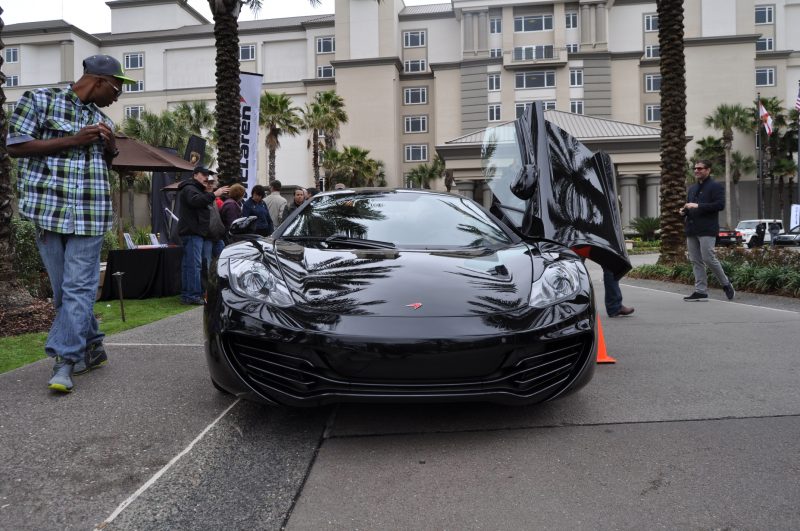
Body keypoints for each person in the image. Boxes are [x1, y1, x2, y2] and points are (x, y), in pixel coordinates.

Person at [7, 54, 135, 393]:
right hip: (48, 211)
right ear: (100, 81)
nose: (117, 97)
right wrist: (74, 140)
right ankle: (93, 346)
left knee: (78, 289)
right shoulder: (39, 99)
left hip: (90, 213)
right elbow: (16, 146)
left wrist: (109, 148)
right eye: (117, 89)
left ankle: (65, 361)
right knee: (65, 290)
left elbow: (107, 164)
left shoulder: (102, 119)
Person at [680, 160, 735, 301]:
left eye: (700, 168)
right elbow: (690, 208)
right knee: (695, 261)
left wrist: (697, 206)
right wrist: (684, 211)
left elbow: (719, 205)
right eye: (695, 168)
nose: (697, 171)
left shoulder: (716, 187)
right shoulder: (691, 189)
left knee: (709, 258)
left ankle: (726, 284)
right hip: (692, 229)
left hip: (707, 229)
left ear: (708, 170)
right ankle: (701, 291)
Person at [177, 166, 229, 306]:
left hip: (195, 233)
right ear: (195, 175)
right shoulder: (189, 188)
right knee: (194, 265)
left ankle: (189, 295)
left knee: (191, 265)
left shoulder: (194, 189)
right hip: (192, 233)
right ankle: (192, 295)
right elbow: (195, 201)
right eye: (204, 174)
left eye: (208, 174)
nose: (207, 177)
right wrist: (214, 194)